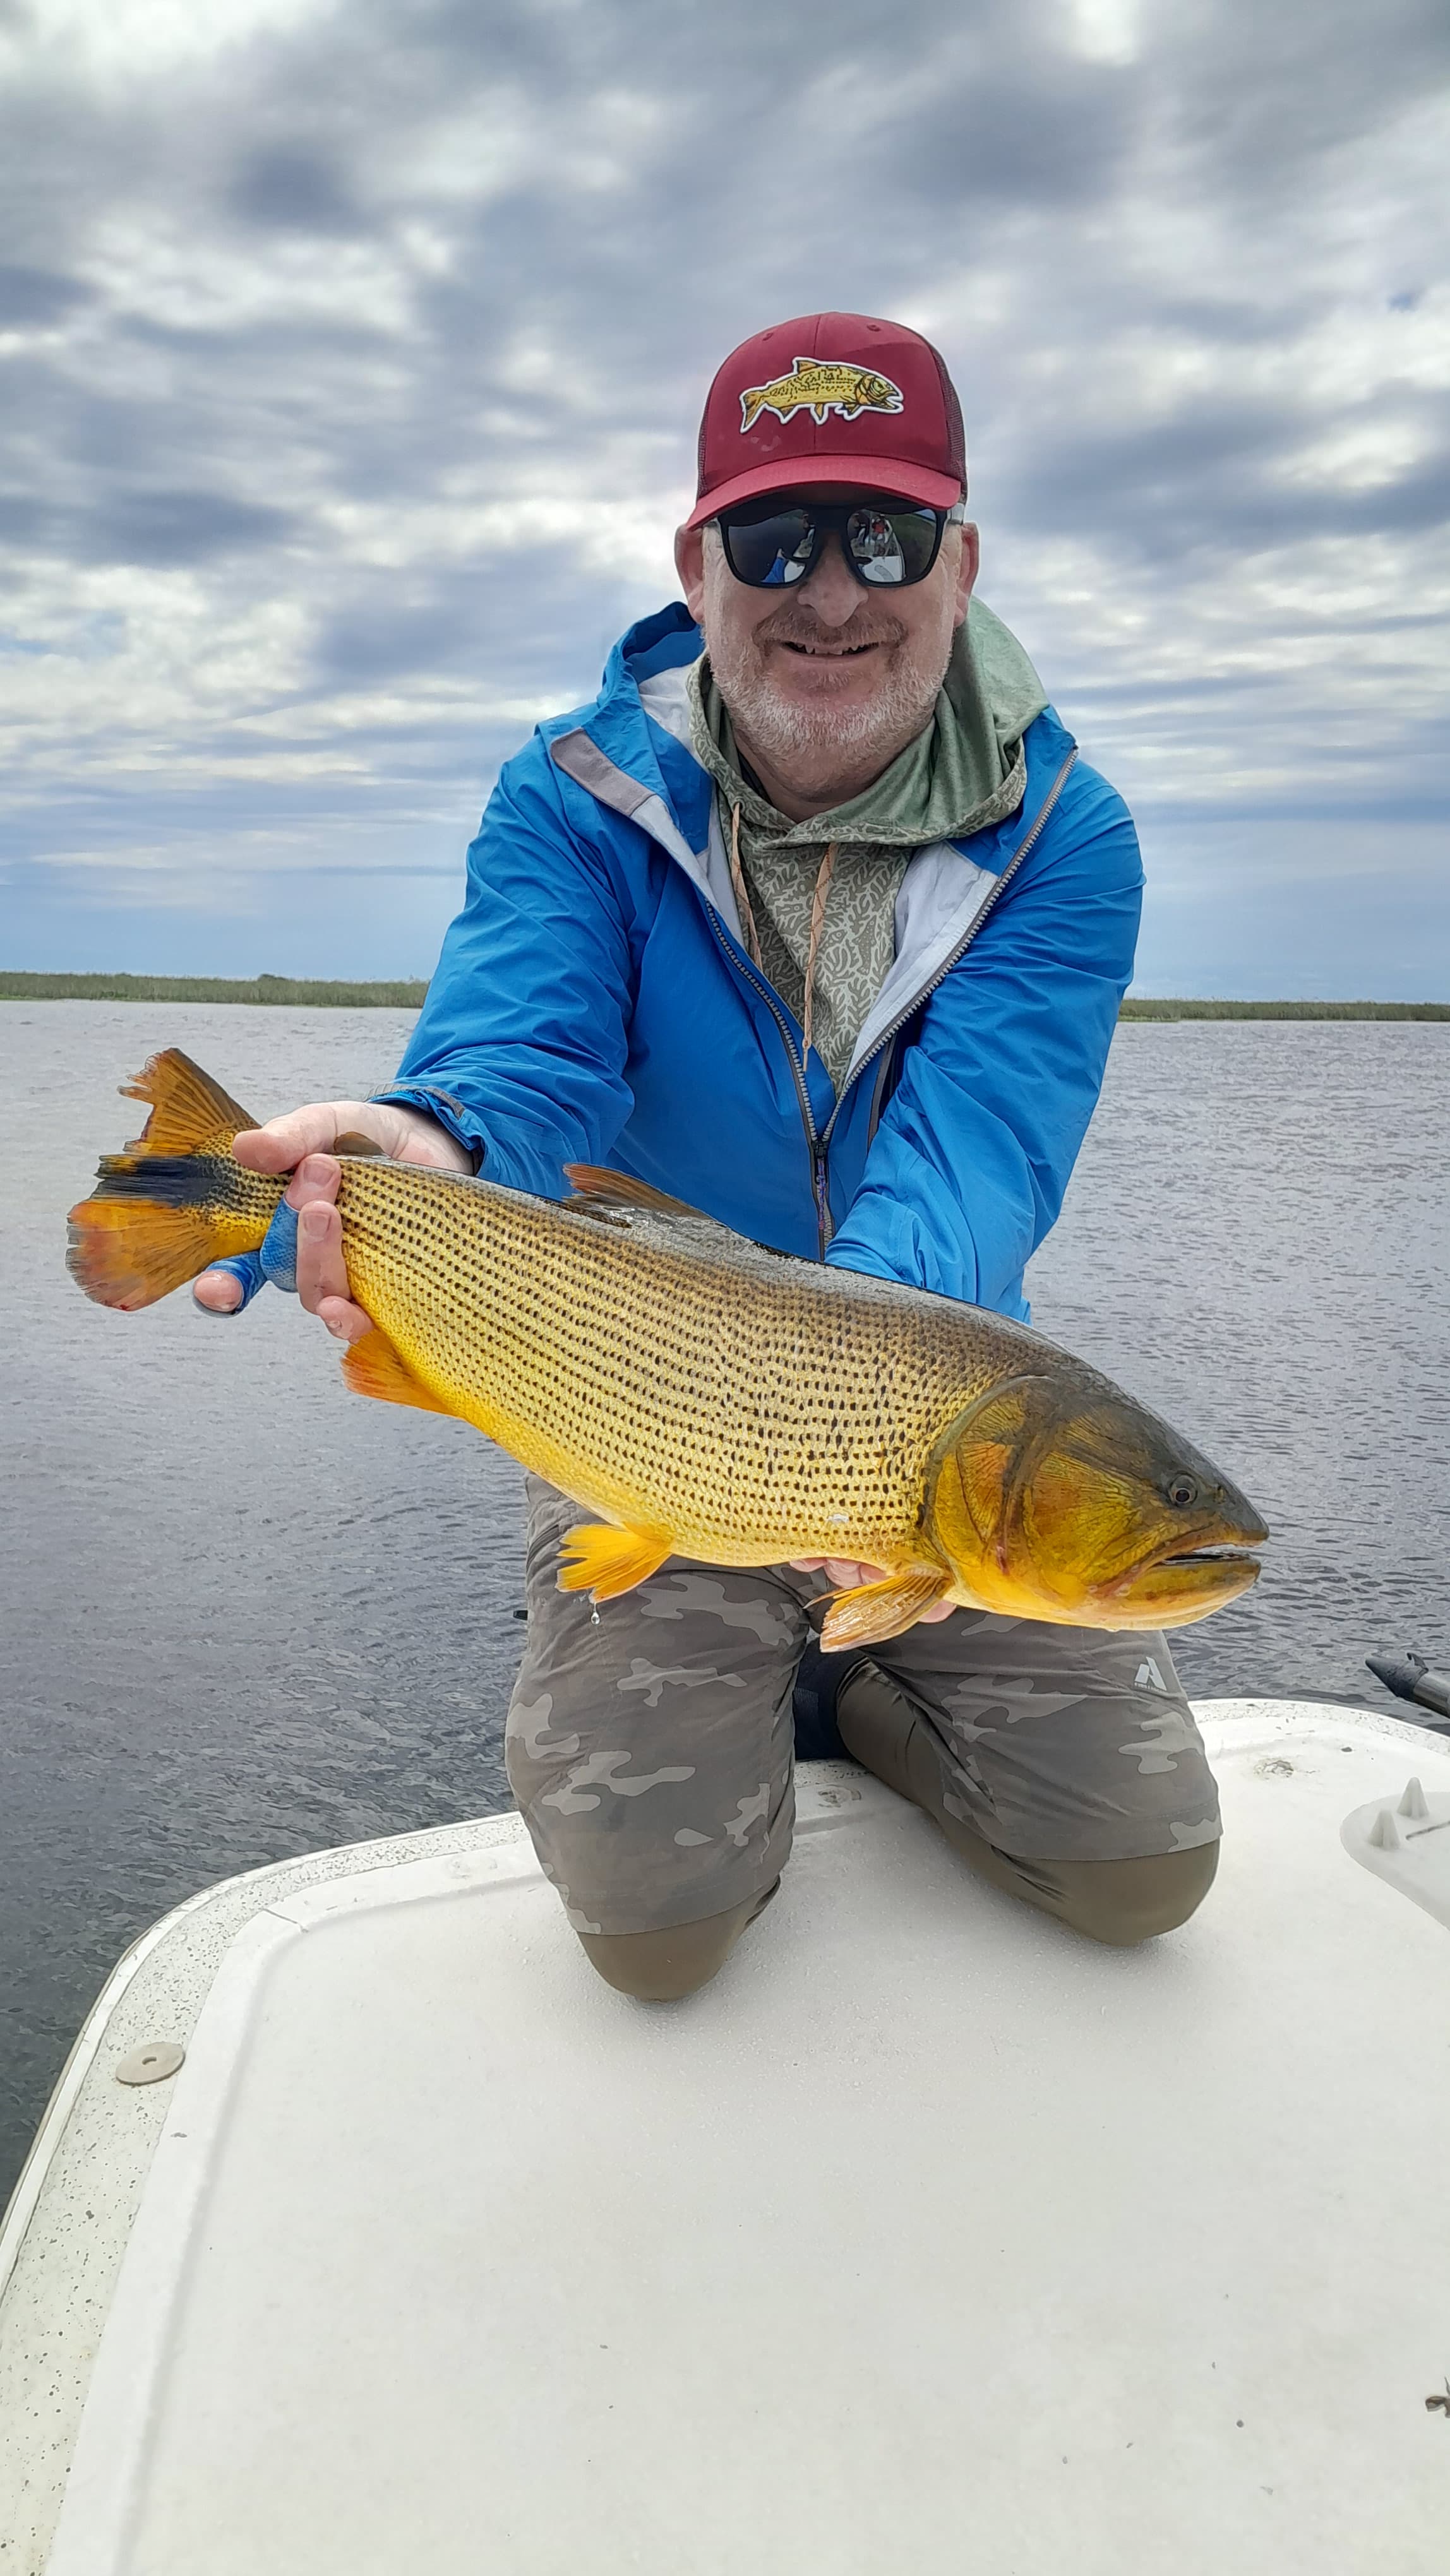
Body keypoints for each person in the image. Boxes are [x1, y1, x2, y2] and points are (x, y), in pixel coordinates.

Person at [197, 313, 1223, 1998]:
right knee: (654, 1942)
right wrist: (427, 1137)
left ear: (962, 563)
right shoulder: (572, 793)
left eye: (884, 536)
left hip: (925, 1410)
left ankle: (854, 1681)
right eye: (775, 540)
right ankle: (799, 1670)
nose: (830, 591)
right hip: (639, 1390)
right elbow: (528, 1049)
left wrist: (856, 1439)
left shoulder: (1065, 832)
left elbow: (976, 1158)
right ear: (697, 564)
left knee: (1140, 1873)